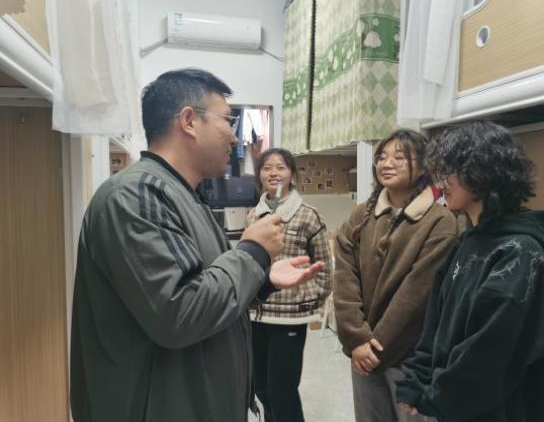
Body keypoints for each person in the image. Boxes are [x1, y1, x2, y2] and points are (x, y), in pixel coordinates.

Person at [70, 68, 323, 422]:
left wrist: (261, 279)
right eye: (228, 121)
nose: (234, 137)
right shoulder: (137, 196)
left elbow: (203, 286)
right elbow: (179, 311)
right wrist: (252, 254)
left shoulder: (182, 195)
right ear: (189, 121)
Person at [395, 121, 544, 422]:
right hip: (459, 407)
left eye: (450, 172)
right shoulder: (469, 241)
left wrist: (434, 398)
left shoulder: (518, 252)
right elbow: (436, 324)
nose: (441, 183)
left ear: (482, 173)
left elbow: (490, 352)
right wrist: (416, 380)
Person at [333, 129, 458, 422]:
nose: (386, 164)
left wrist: (374, 349)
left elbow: (416, 295)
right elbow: (345, 276)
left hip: (408, 357)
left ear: (424, 166)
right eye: (382, 157)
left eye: (399, 157)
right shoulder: (362, 215)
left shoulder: (440, 222)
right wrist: (356, 338)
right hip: (362, 351)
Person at [247, 147, 333, 422]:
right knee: (261, 387)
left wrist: (308, 299)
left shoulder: (308, 215)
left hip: (289, 317)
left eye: (280, 167)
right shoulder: (254, 215)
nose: (273, 173)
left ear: (293, 175)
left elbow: (324, 267)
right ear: (259, 175)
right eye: (267, 168)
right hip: (256, 313)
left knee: (282, 390)